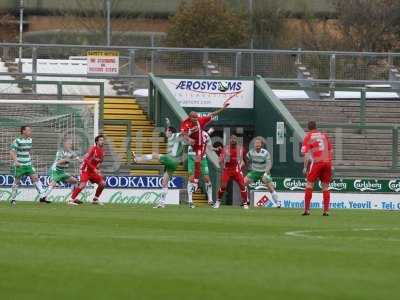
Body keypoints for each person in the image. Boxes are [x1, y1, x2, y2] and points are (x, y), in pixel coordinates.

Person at [133, 118, 184, 208]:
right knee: (164, 182)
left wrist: (192, 129)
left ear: (170, 132)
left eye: (167, 131)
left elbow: (181, 133)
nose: (165, 133)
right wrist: (168, 123)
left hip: (171, 159)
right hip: (174, 164)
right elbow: (171, 130)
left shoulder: (176, 135)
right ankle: (162, 203)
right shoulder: (172, 137)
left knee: (154, 155)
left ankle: (138, 159)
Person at [180, 103, 229, 190]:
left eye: (196, 117)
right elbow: (183, 134)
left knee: (198, 160)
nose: (195, 119)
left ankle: (196, 182)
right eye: (193, 118)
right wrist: (188, 139)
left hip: (199, 145)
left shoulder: (200, 120)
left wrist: (223, 108)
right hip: (192, 144)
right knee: (194, 161)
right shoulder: (185, 123)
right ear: (189, 117)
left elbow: (213, 114)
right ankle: (194, 182)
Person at [9, 125, 50, 205]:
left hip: (28, 164)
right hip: (19, 165)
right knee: (17, 181)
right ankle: (13, 198)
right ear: (23, 131)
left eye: (30, 130)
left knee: (35, 178)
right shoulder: (17, 140)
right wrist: (16, 161)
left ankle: (43, 197)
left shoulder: (30, 140)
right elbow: (12, 152)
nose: (30, 132)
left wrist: (29, 160)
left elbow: (27, 151)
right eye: (28, 130)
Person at [301, 121, 333, 216]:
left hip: (317, 163)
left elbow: (306, 154)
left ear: (308, 128)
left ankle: (307, 210)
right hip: (327, 163)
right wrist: (329, 161)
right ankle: (326, 211)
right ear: (316, 127)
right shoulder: (324, 135)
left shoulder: (308, 137)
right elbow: (330, 150)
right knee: (325, 187)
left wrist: (305, 167)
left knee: (309, 185)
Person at [69, 135, 106, 205]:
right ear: (97, 142)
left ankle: (95, 199)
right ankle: (71, 200)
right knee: (83, 184)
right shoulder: (93, 149)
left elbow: (99, 162)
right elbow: (86, 160)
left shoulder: (103, 152)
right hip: (85, 169)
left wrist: (98, 170)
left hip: (93, 171)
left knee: (102, 183)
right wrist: (94, 169)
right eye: (100, 140)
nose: (102, 141)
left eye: (103, 140)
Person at [244, 136, 280, 208]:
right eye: (256, 143)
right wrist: (248, 166)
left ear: (261, 145)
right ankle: (246, 200)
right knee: (243, 183)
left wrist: (266, 173)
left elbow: (269, 164)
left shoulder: (265, 153)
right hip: (254, 172)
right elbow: (246, 158)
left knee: (270, 187)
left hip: (264, 172)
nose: (257, 144)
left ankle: (278, 203)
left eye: (258, 143)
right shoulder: (251, 152)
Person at [214, 134, 248, 209]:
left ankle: (245, 203)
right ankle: (218, 201)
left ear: (237, 140)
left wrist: (242, 165)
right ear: (229, 140)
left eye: (234, 139)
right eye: (232, 139)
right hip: (227, 170)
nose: (233, 140)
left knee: (242, 185)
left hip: (236, 170)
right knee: (223, 186)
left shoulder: (241, 149)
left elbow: (245, 160)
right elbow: (220, 160)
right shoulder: (225, 149)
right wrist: (222, 163)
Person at [186, 129, 214, 208]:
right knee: (191, 178)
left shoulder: (205, 134)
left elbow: (209, 145)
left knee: (207, 178)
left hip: (202, 158)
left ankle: (210, 200)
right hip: (192, 157)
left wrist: (213, 148)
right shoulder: (191, 132)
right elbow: (187, 141)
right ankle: (190, 201)